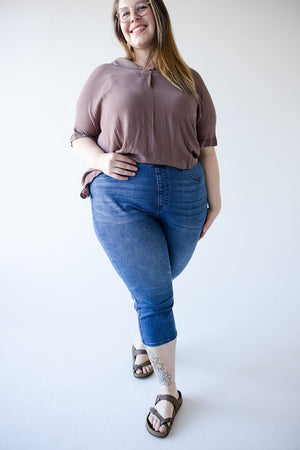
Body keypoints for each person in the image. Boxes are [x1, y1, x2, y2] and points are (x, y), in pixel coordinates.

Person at [70, 0, 221, 438]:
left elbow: (207, 147)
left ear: (158, 14)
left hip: (186, 196)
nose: (132, 17)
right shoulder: (105, 76)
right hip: (122, 196)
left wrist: (216, 201)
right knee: (157, 297)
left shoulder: (190, 80)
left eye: (141, 8)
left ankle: (142, 341)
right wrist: (100, 159)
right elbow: (79, 135)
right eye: (123, 13)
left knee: (158, 281)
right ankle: (170, 391)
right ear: (119, 26)